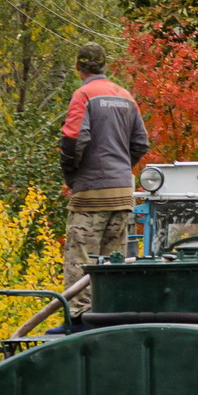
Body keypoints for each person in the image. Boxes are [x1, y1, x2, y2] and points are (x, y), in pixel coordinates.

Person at [59, 42, 150, 313]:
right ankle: (111, 316)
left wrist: (72, 176)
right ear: (105, 66)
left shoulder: (83, 94)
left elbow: (74, 138)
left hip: (90, 195)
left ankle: (77, 319)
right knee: (114, 262)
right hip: (123, 194)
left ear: (78, 67)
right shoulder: (125, 96)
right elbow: (141, 143)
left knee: (80, 261)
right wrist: (122, 169)